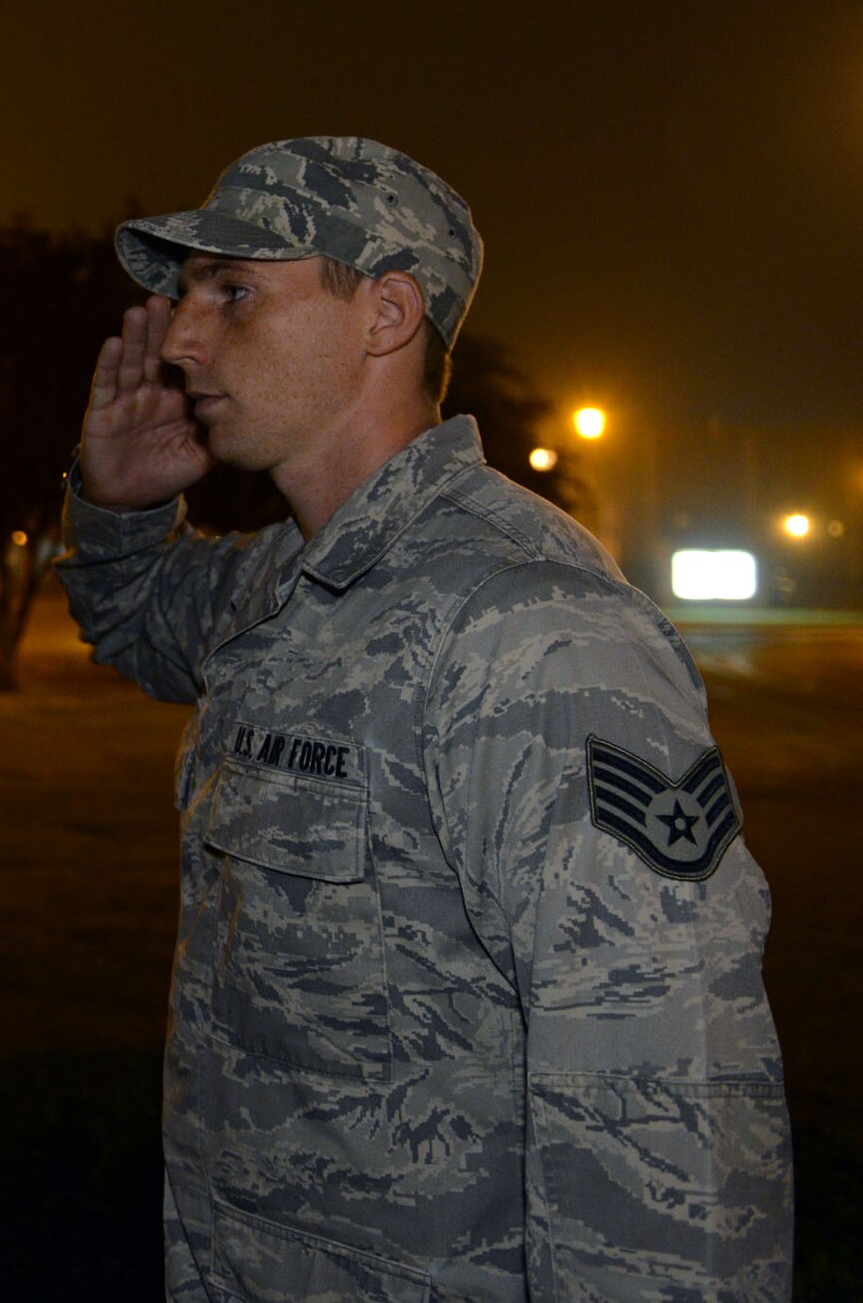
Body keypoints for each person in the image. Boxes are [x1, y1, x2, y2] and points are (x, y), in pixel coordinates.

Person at [57, 136, 791, 1299]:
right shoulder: (286, 578)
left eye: (232, 291)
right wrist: (116, 508)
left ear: (384, 314)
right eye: (184, 294)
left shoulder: (531, 628)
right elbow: (139, 624)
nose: (181, 337)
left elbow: (665, 1113)